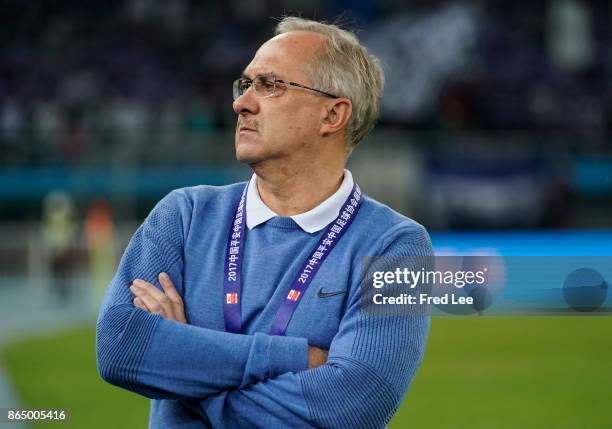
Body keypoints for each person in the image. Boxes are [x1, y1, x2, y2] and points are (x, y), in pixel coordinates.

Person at [96, 17, 433, 428]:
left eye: (270, 85)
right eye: (245, 85)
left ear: (332, 115)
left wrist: (186, 371)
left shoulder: (400, 248)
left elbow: (353, 407)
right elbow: (119, 347)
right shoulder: (182, 215)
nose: (241, 103)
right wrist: (296, 357)